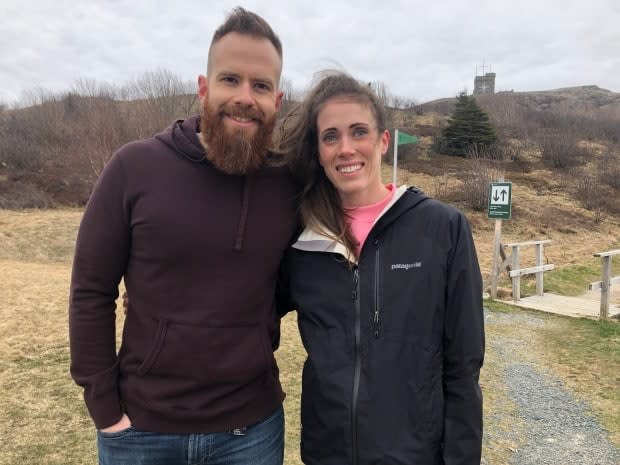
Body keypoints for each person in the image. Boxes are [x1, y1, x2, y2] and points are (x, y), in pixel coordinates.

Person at [69, 7, 298, 465]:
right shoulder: (134, 168)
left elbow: (302, 278)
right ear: (204, 87)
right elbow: (91, 291)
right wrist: (104, 407)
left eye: (261, 85)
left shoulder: (288, 184)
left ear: (278, 99)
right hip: (142, 430)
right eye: (231, 79)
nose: (245, 97)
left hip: (250, 430)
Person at [277, 72, 485, 465]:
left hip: (415, 454)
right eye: (331, 136)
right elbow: (247, 313)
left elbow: (464, 364)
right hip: (328, 453)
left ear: (383, 141)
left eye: (359, 132)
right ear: (318, 150)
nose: (346, 148)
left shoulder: (442, 228)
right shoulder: (304, 239)